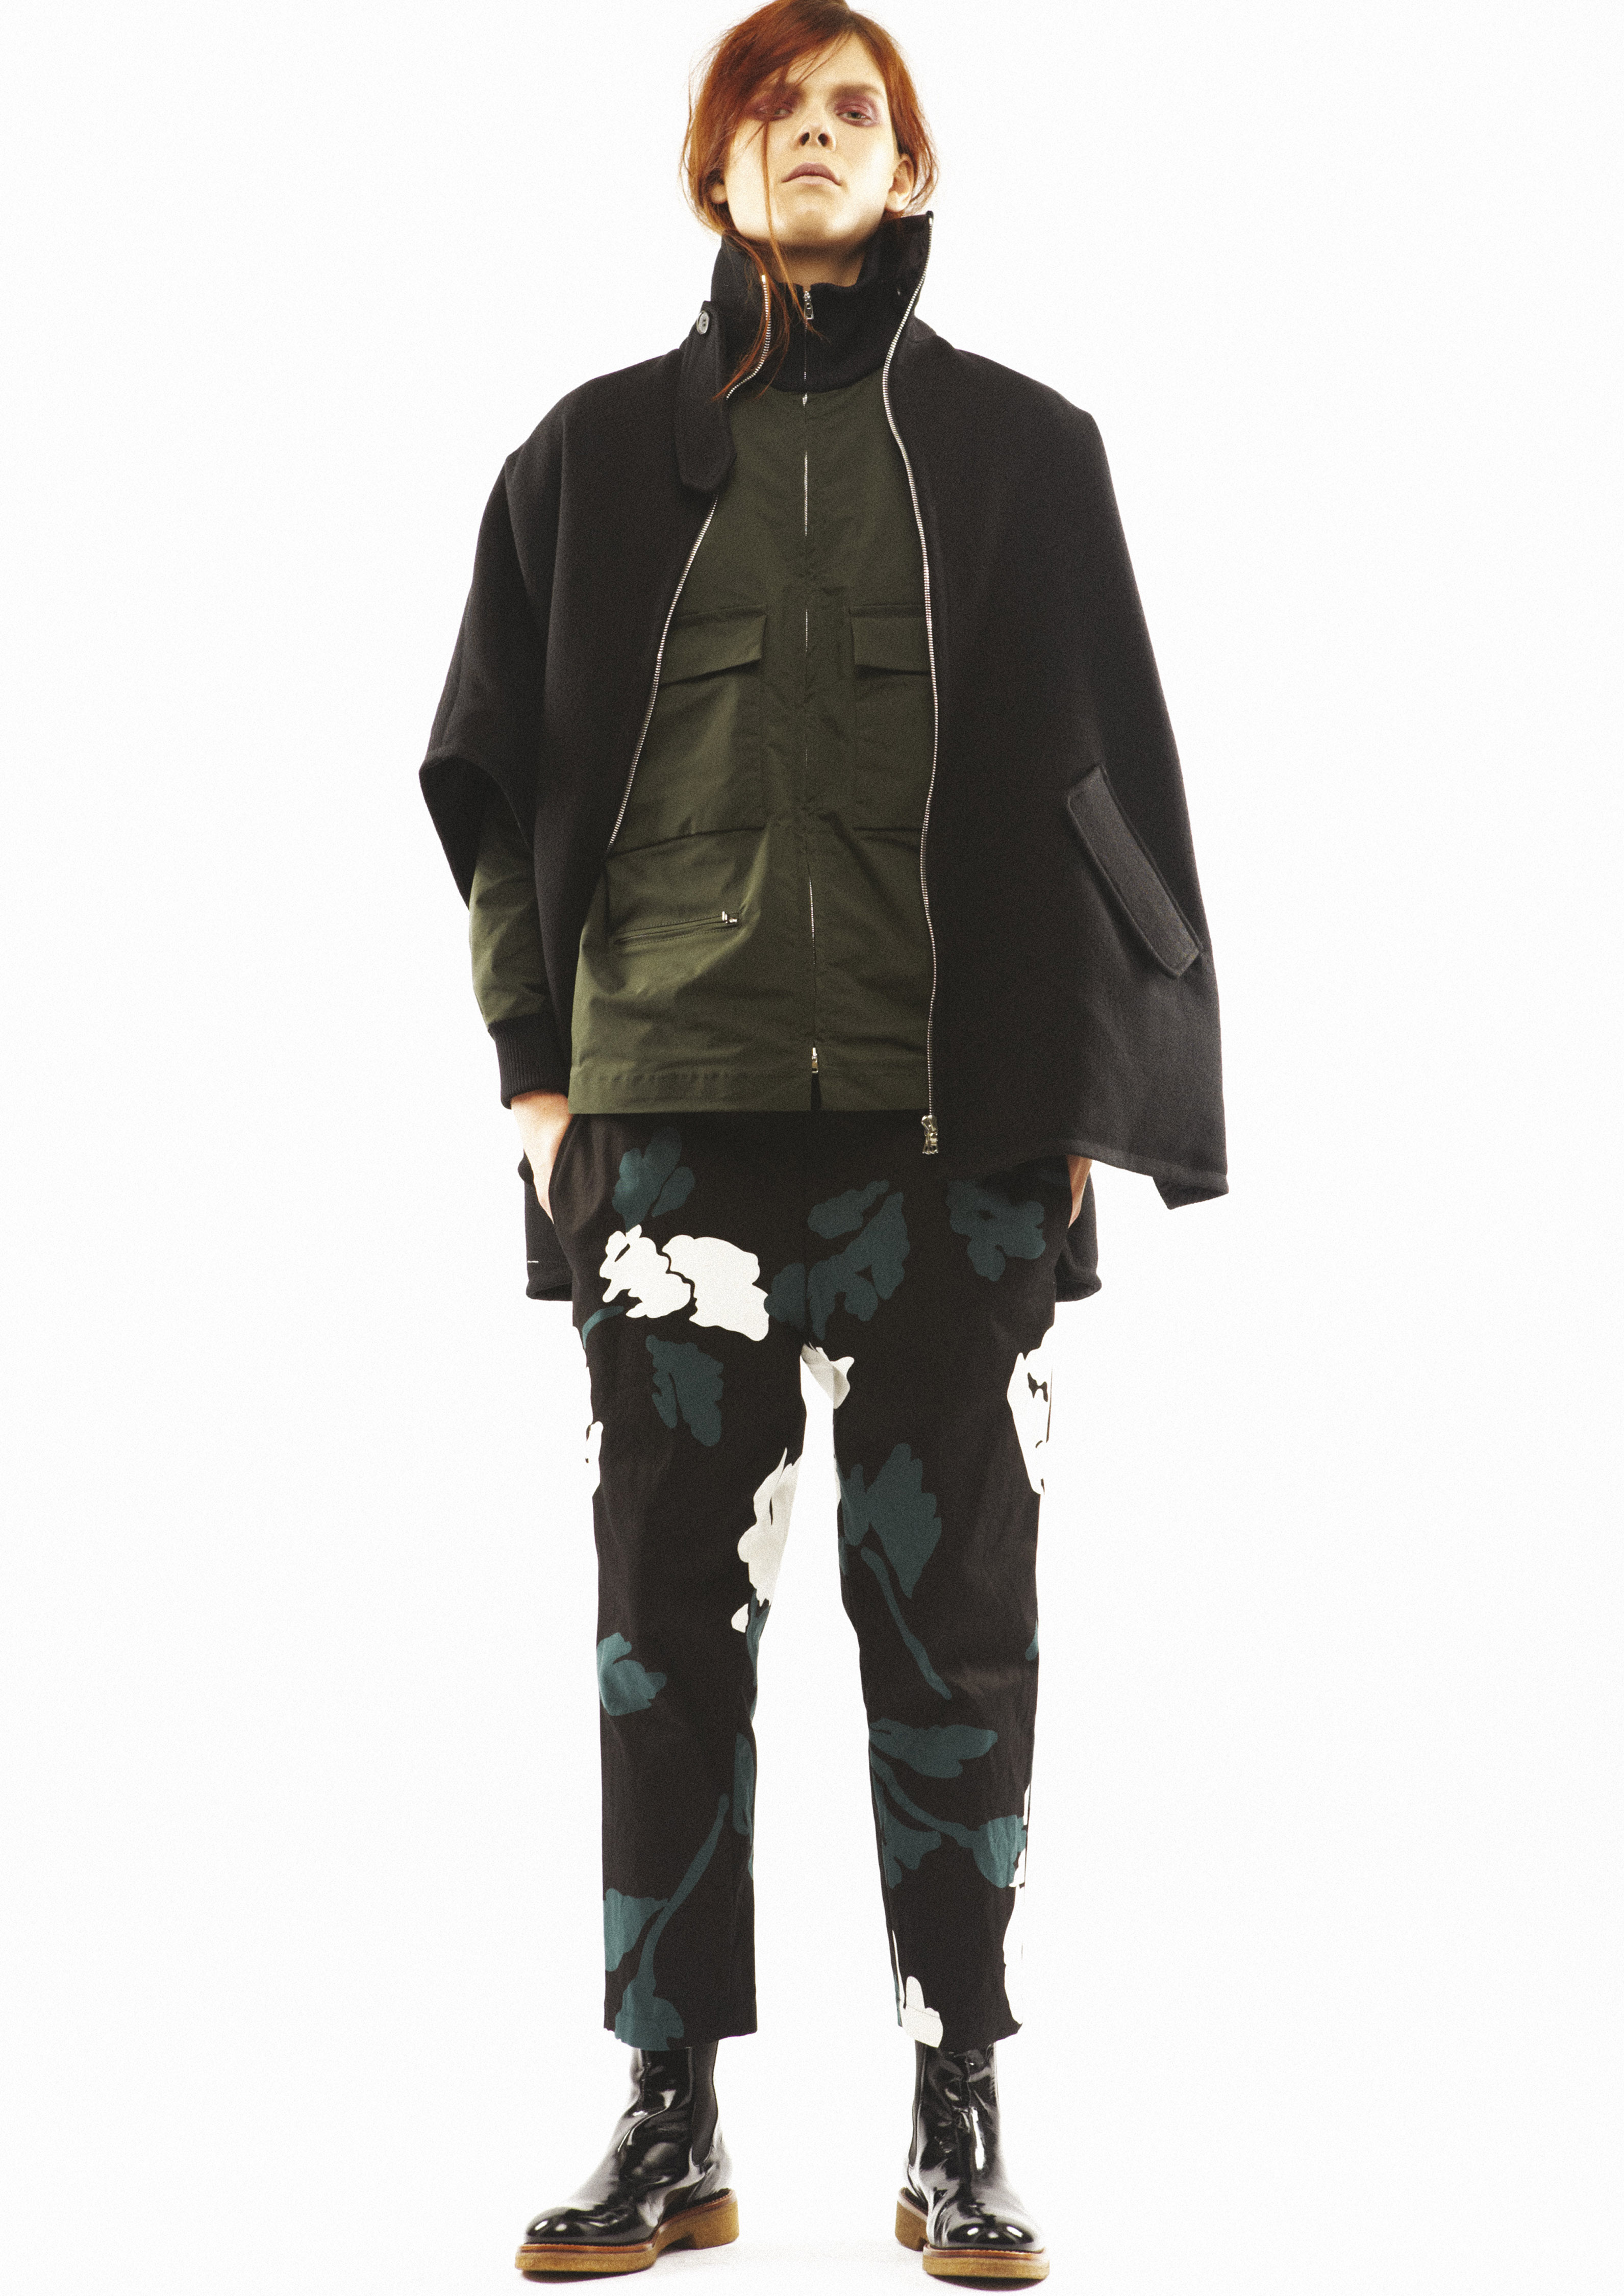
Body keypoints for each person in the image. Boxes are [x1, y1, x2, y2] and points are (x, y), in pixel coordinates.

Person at [419, 0, 1226, 2279]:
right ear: (715, 170)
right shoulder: (585, 459)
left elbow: (1106, 797)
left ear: (912, 169)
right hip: (666, 1133)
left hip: (947, 1143)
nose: (811, 136)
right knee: (661, 1634)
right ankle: (667, 2112)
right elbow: (491, 786)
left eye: (852, 110)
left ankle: (959, 2102)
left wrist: (1084, 1100)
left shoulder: (1022, 455)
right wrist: (537, 1079)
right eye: (769, 111)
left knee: (957, 1629)